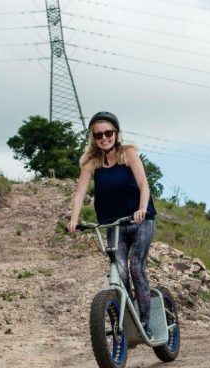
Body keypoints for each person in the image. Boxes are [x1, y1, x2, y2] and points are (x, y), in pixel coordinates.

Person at [67, 111, 157, 337]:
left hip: (140, 221)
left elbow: (144, 185)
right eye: (98, 135)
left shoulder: (128, 153)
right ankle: (129, 319)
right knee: (119, 273)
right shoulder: (91, 162)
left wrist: (142, 208)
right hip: (114, 225)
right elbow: (79, 194)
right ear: (93, 137)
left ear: (116, 133)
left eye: (108, 133)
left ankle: (145, 322)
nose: (104, 138)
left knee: (136, 268)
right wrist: (74, 219)